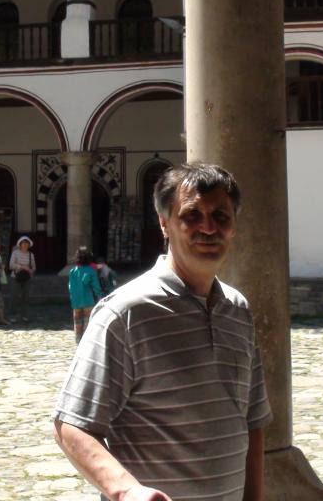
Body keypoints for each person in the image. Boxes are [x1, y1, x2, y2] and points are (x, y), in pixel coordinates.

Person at [53, 163, 271, 501]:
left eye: (220, 216)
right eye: (192, 215)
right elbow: (71, 425)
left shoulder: (237, 309)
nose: (208, 227)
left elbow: (252, 421)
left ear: (234, 226)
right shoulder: (125, 313)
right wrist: (126, 490)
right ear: (164, 223)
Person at [68, 246, 102, 343]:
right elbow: (96, 286)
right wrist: (100, 296)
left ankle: (78, 340)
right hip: (88, 300)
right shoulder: (90, 270)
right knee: (88, 322)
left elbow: (70, 287)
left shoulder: (72, 271)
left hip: (76, 301)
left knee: (77, 323)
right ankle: (87, 342)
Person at [9, 236, 36, 324]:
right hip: (15, 277)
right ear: (20, 244)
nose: (25, 245)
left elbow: (33, 267)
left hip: (27, 278)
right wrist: (22, 267)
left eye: (27, 243)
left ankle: (24, 315)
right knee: (14, 296)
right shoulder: (15, 253)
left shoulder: (31, 255)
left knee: (26, 297)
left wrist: (31, 271)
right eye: (23, 243)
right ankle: (12, 315)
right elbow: (11, 265)